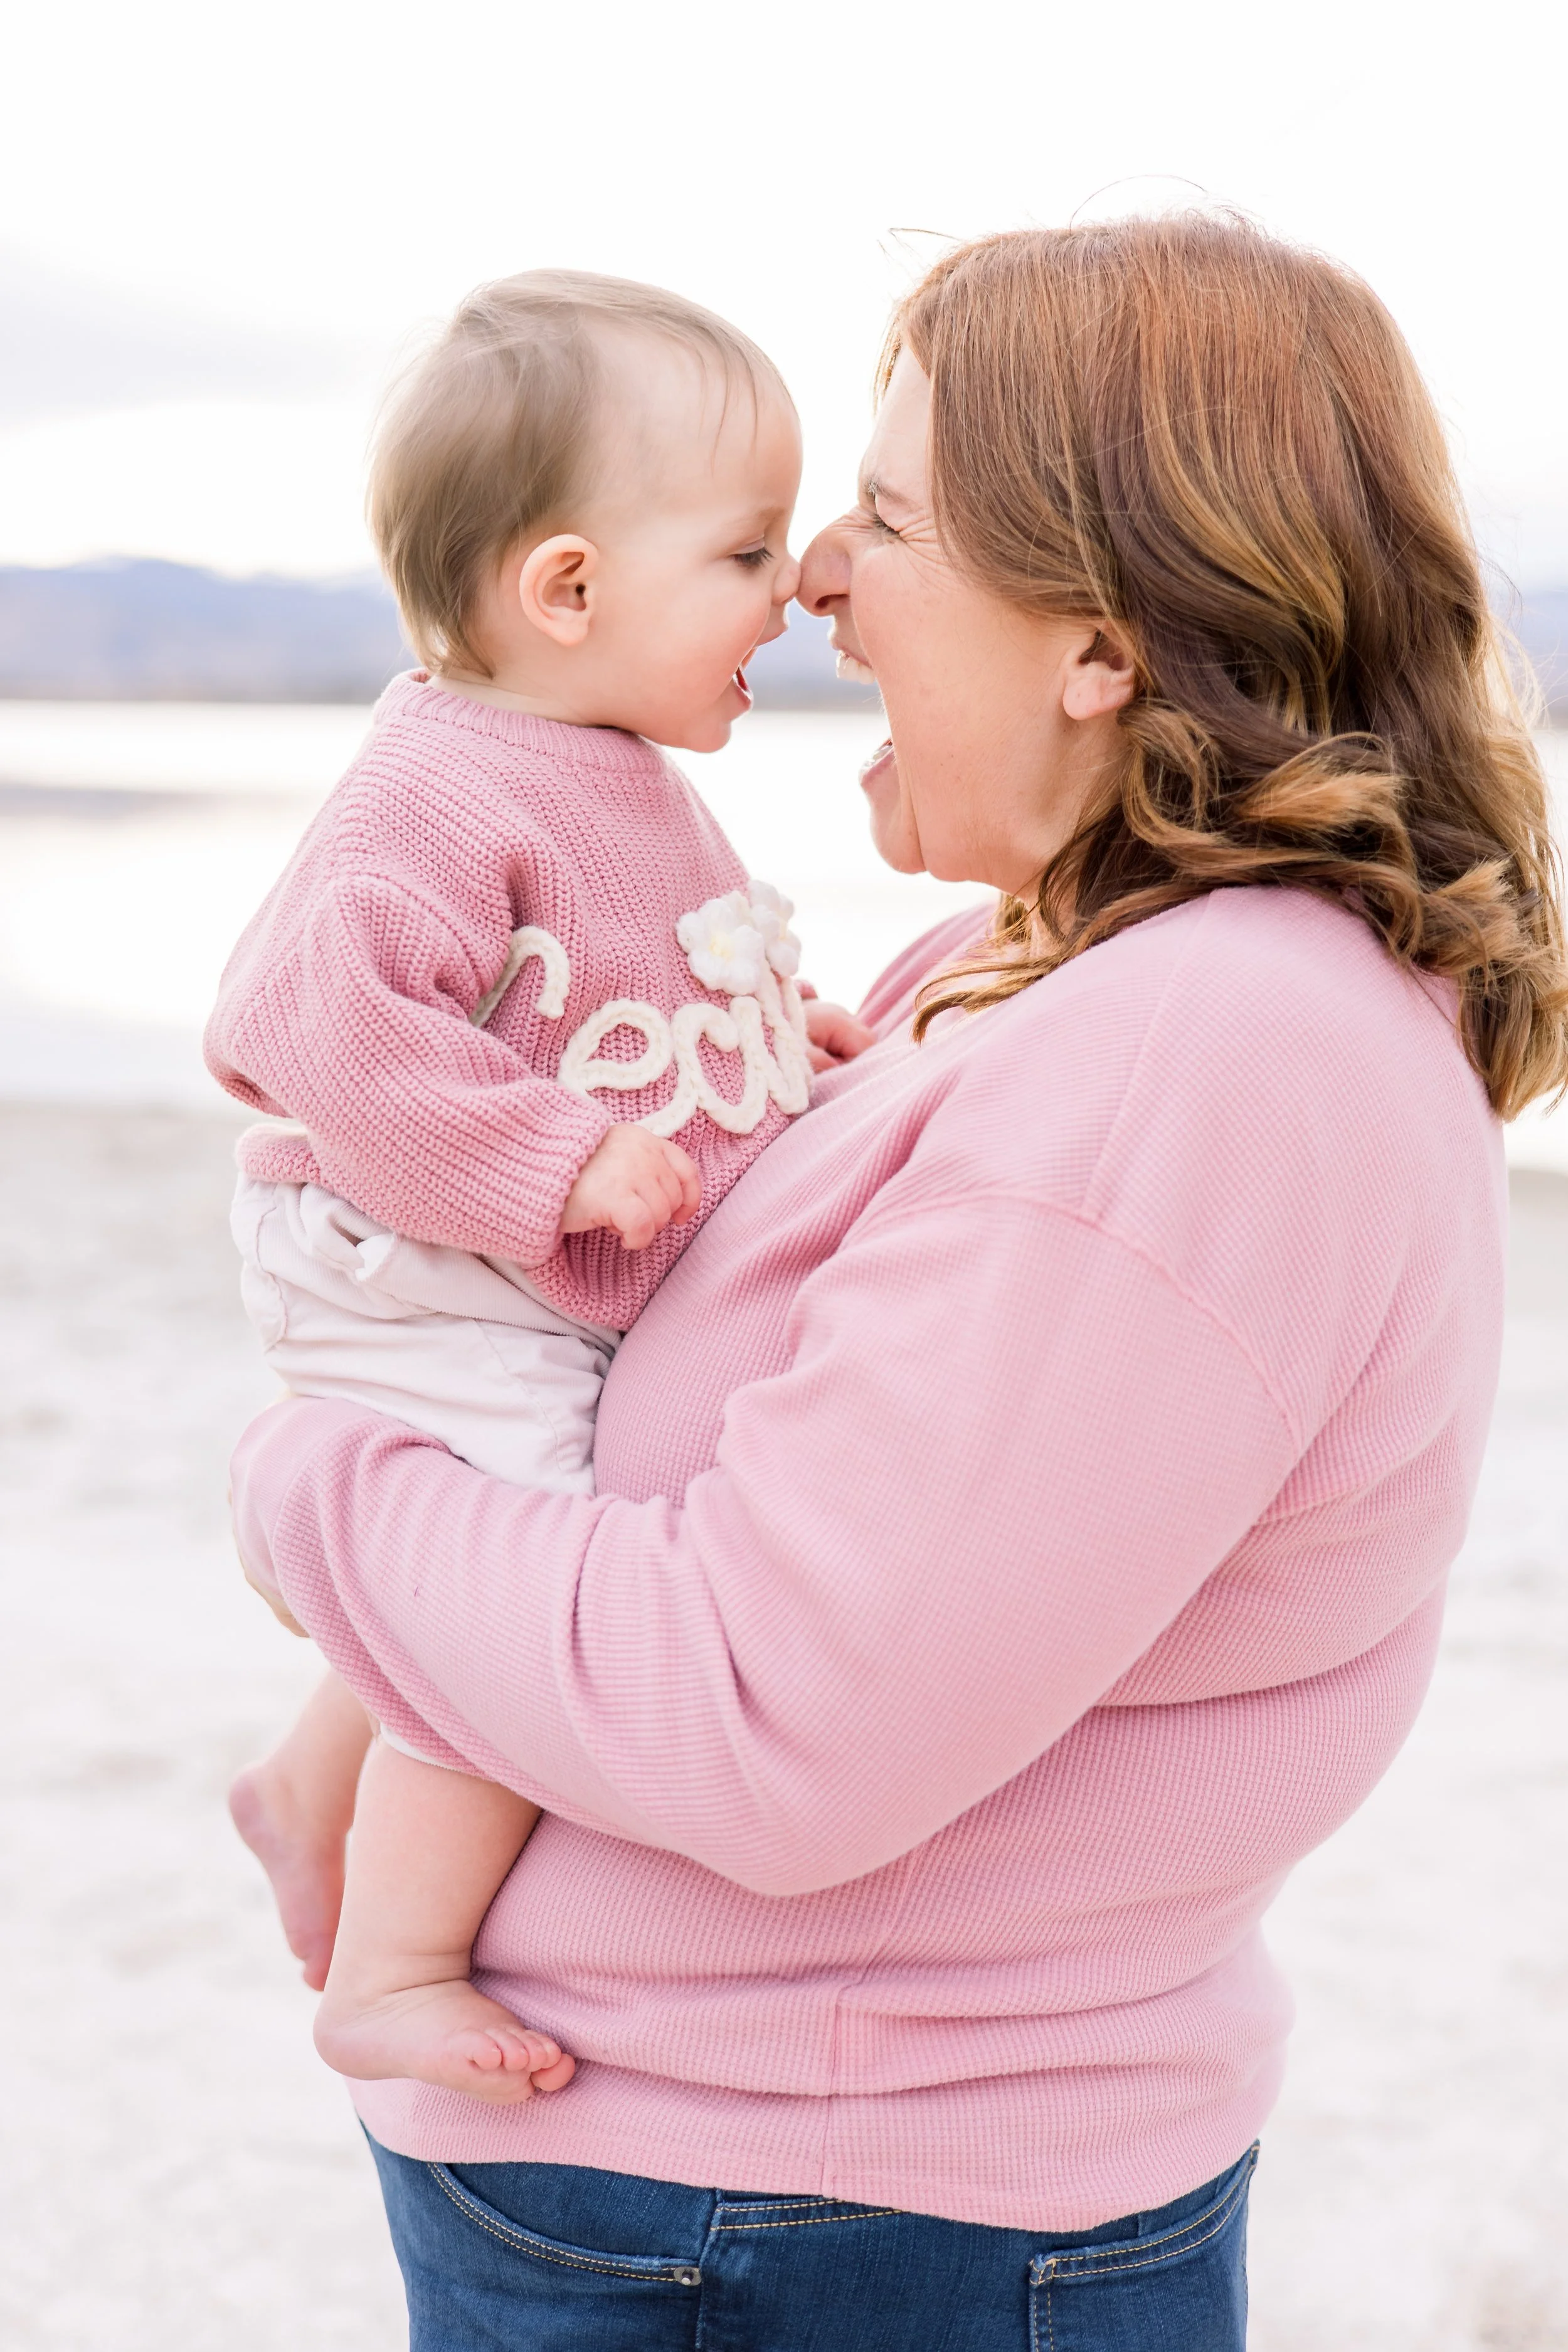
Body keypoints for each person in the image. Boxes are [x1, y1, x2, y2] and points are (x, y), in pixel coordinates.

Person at [230, 216, 1568, 2350]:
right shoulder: (1010, 982)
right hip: (723, 2197)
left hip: (818, 2226)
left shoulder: (1211, 1058)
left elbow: (772, 1719)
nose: (822, 576)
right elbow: (653, 1413)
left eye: (888, 515)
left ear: (1100, 643)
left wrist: (309, 1490)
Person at [208, 270, 869, 2106]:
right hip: (415, 1252)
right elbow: (309, 1021)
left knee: (516, 1511)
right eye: (743, 553)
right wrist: (549, 1156)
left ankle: (307, 1775)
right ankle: (393, 1965)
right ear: (566, 589)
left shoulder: (610, 760)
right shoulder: (440, 776)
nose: (797, 586)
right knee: (524, 1567)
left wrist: (774, 1046)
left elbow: (627, 1001)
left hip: (486, 1247)